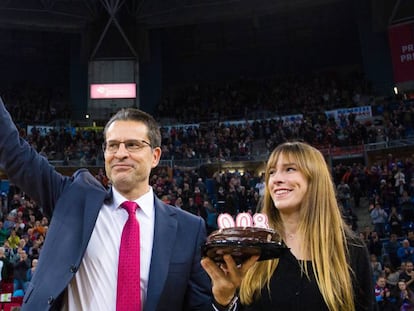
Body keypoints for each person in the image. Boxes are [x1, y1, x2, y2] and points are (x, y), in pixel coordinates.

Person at [0, 98, 219, 310]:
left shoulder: (188, 229)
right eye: (113, 145)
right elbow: (15, 153)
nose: (120, 154)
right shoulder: (73, 199)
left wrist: (225, 300)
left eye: (132, 145)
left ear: (155, 156)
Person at [201, 141, 376, 310]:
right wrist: (224, 301)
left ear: (315, 179)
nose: (276, 179)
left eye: (289, 169)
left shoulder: (351, 250)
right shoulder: (250, 249)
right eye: (271, 172)